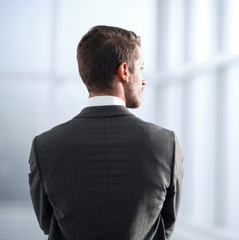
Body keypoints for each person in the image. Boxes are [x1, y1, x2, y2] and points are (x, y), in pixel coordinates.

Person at [28, 25, 183, 240]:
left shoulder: (44, 146)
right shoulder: (165, 143)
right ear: (124, 71)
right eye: (141, 68)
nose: (144, 79)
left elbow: (47, 223)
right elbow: (167, 224)